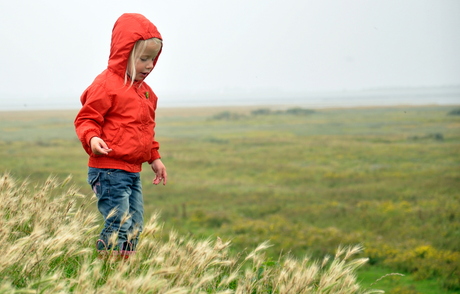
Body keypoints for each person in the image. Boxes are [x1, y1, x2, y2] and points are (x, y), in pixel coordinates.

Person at [74, 13, 167, 258]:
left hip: (132, 171)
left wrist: (154, 158)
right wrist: (92, 138)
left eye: (153, 59)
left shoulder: (146, 93)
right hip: (108, 169)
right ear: (124, 54)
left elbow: (145, 128)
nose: (149, 65)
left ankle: (124, 269)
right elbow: (86, 119)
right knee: (119, 223)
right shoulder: (106, 85)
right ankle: (107, 264)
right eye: (143, 59)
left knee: (135, 226)